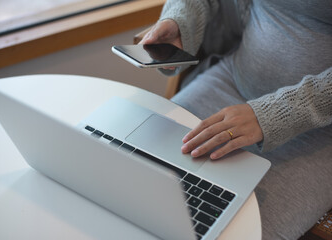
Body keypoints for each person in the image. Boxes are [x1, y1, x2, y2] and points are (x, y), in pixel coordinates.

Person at [140, 0, 332, 239]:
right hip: (231, 82)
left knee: (230, 229)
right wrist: (180, 20)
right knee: (139, 181)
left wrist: (272, 115)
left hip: (318, 129)